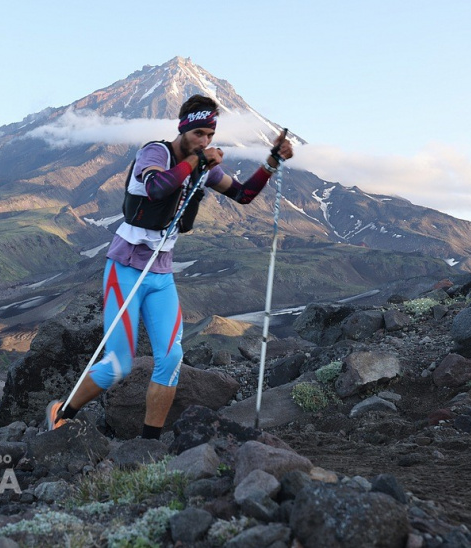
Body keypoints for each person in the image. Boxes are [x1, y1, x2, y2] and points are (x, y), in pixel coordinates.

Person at [46, 94, 294, 439]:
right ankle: (63, 412)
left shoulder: (203, 164)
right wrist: (198, 162)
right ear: (184, 129)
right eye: (199, 134)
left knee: (171, 357)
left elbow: (242, 195)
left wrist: (270, 164)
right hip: (127, 267)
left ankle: (149, 444)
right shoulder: (155, 153)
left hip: (161, 274)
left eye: (210, 135)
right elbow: (157, 187)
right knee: (118, 365)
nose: (205, 141)